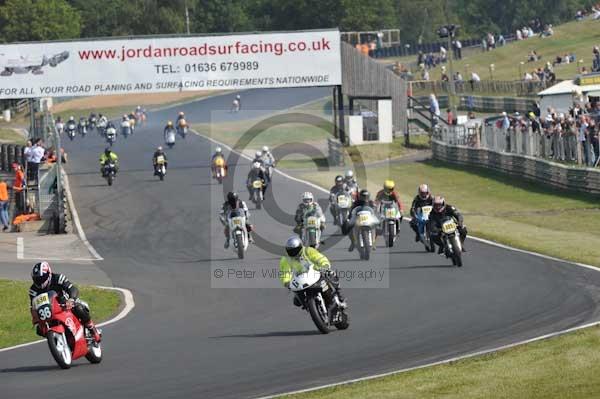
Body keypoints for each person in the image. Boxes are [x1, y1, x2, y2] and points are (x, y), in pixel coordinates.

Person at [29, 262, 101, 342]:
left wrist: (71, 299)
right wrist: (35, 317)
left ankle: (92, 329)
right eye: (37, 279)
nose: (40, 281)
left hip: (65, 304)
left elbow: (72, 288)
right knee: (39, 330)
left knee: (78, 308)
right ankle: (56, 340)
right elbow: (34, 306)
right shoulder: (33, 290)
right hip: (50, 311)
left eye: (42, 278)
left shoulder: (58, 278)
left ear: (49, 273)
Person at [279, 236, 345, 307]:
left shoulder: (308, 251)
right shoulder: (285, 259)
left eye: (296, 250)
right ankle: (309, 307)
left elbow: (320, 258)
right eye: (291, 251)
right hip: (300, 279)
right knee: (297, 301)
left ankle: (339, 296)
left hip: (316, 273)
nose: (293, 252)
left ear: (301, 247)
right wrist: (286, 282)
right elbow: (285, 272)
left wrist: (324, 266)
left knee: (332, 275)